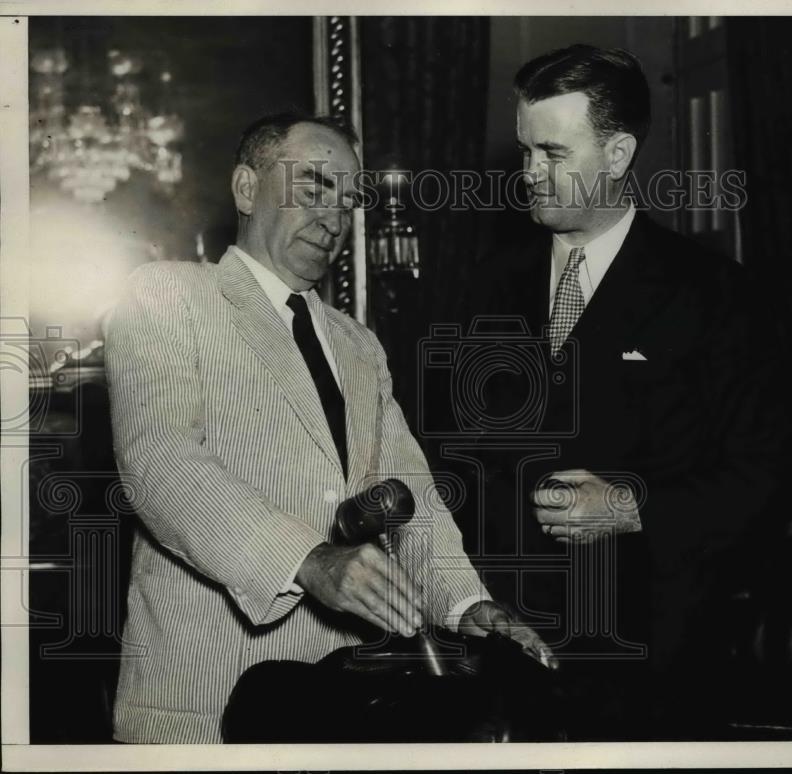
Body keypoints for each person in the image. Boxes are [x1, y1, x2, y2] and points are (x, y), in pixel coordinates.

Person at [105, 112, 550, 744]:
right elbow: (160, 462)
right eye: (314, 188)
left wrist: (463, 602)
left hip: (343, 707)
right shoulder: (167, 297)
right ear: (246, 189)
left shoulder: (357, 345)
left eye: (347, 201)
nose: (335, 220)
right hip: (204, 705)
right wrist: (308, 561)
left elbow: (409, 495)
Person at [466, 45, 792, 738]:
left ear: (617, 154)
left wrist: (629, 506)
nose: (529, 175)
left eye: (553, 154)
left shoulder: (715, 296)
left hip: (657, 667)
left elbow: (766, 479)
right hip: (507, 659)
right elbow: (456, 453)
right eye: (527, 151)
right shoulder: (486, 283)